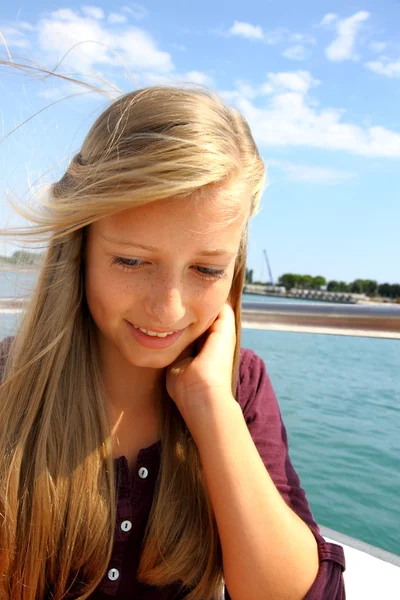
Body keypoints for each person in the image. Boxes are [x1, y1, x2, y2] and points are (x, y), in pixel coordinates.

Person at [0, 85, 346, 600]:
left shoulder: (239, 387)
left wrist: (211, 409)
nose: (169, 309)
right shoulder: (10, 383)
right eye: (132, 261)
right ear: (81, 244)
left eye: (206, 269)